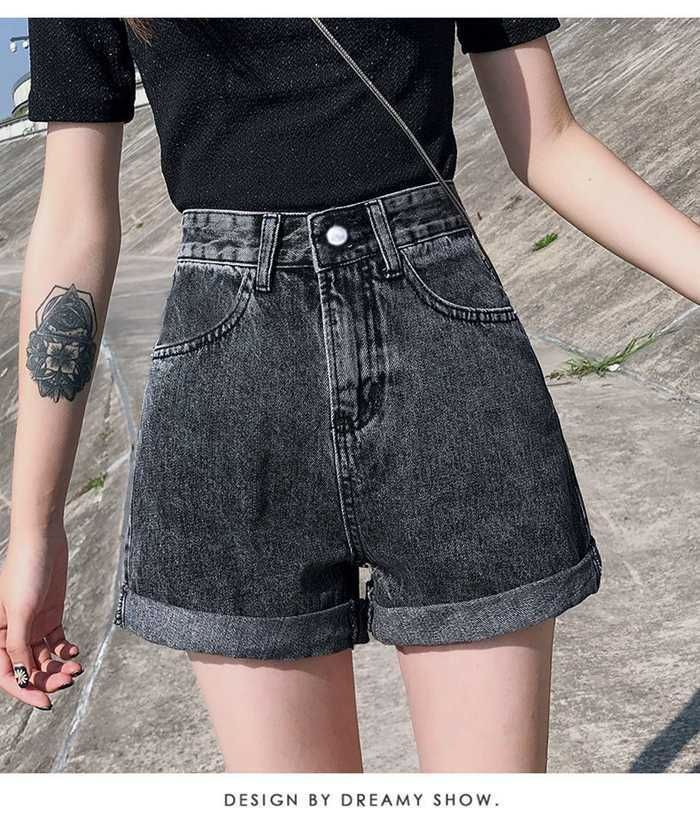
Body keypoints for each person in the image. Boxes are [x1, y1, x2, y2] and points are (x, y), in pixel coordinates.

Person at [1, 18, 698, 773]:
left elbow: (549, 141)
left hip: (443, 358)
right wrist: (36, 529)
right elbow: (72, 219)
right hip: (232, 394)